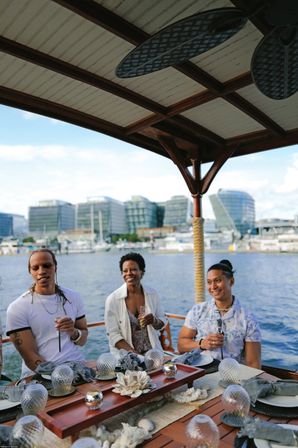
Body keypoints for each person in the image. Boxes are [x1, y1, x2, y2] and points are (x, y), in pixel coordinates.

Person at [6, 249, 88, 378]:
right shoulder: (17, 308)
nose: (41, 271)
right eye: (35, 268)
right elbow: (30, 357)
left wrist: (73, 332)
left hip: (77, 366)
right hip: (41, 374)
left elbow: (83, 340)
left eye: (47, 265)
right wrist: (62, 376)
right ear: (30, 272)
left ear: (55, 267)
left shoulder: (74, 297)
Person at [178, 259, 261, 368]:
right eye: (209, 282)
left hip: (233, 376)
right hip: (201, 373)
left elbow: (253, 363)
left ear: (231, 281)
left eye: (217, 280)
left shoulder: (247, 318)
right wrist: (202, 343)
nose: (212, 287)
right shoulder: (197, 311)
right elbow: (181, 345)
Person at [105, 252, 167, 356]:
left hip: (153, 353)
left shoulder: (152, 294)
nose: (128, 273)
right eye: (125, 271)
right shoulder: (113, 299)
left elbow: (162, 322)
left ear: (142, 272)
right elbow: (113, 334)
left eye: (133, 269)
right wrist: (135, 355)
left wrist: (153, 320)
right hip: (127, 356)